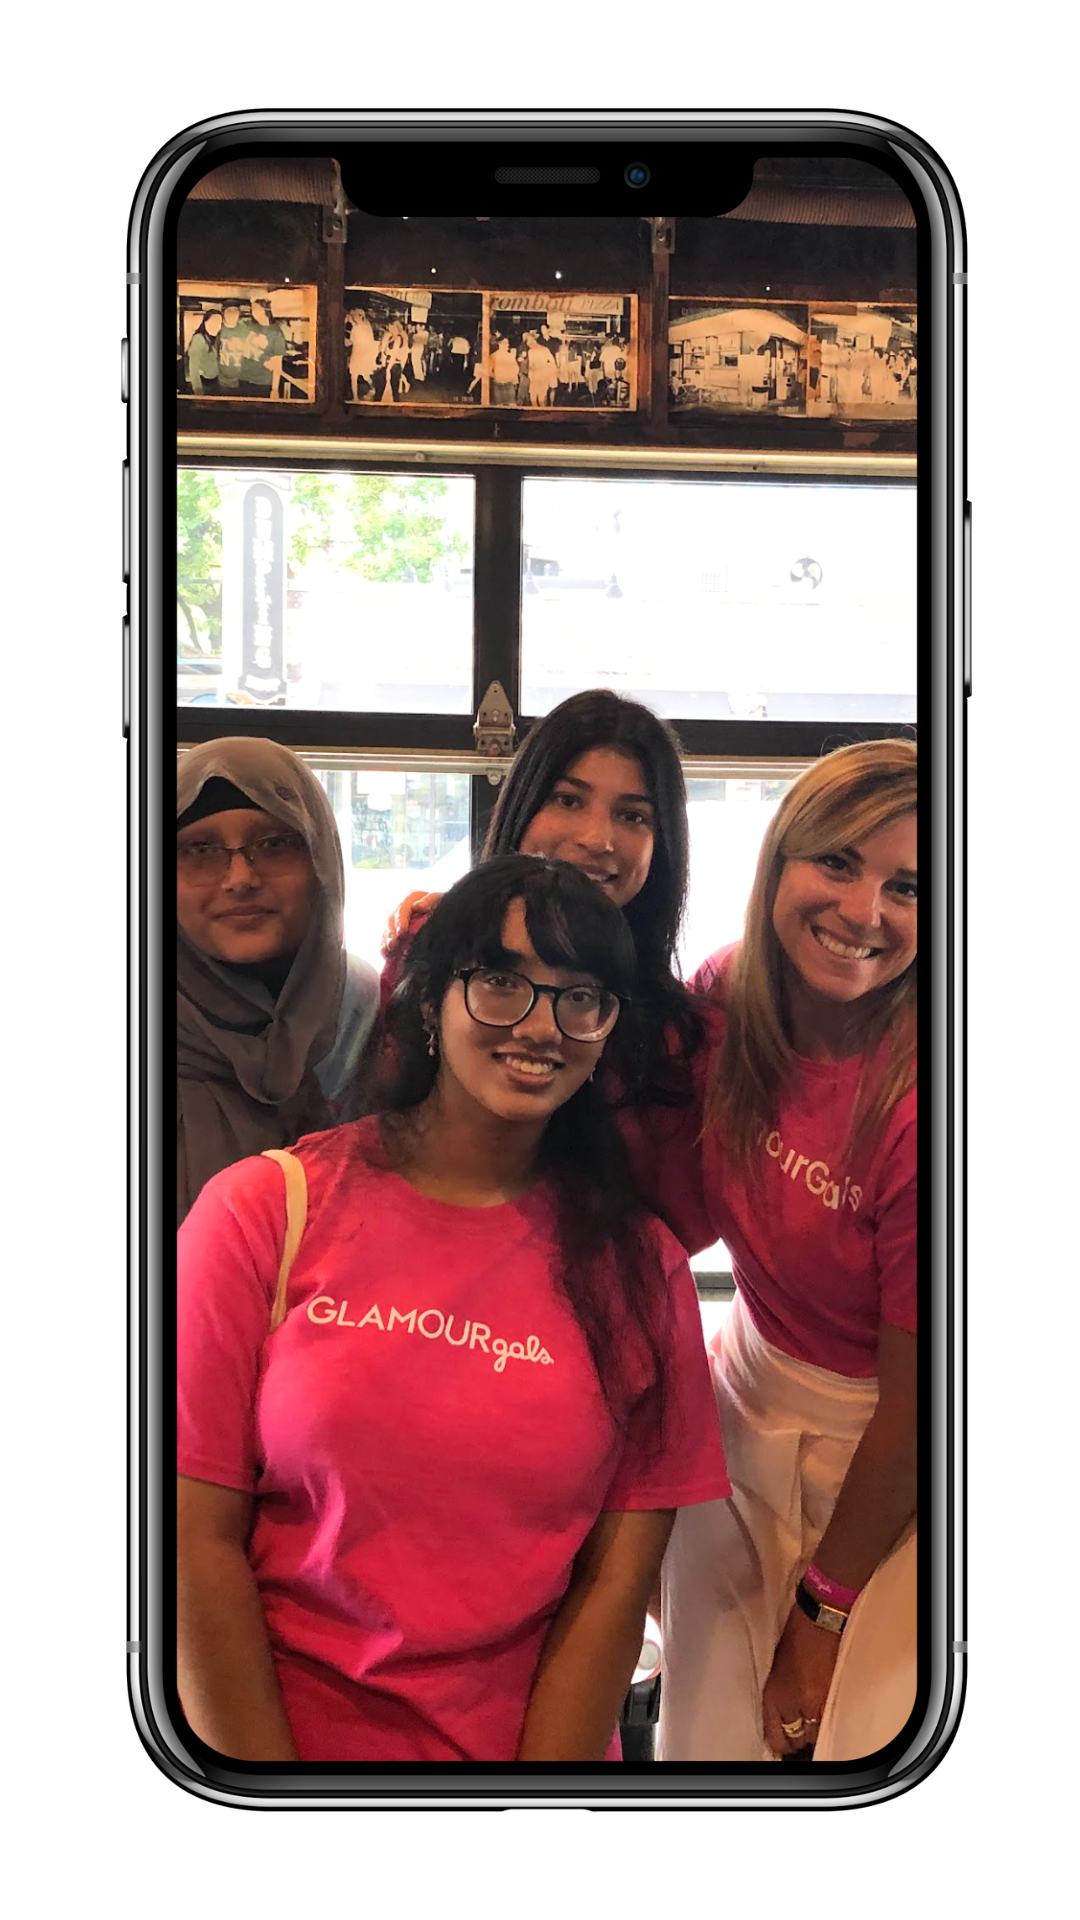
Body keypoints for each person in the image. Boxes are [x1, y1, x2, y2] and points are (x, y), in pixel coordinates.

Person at [177, 855, 729, 1762]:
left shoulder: (644, 1269)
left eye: (580, 996)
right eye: (501, 982)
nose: (540, 1027)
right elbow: (191, 1548)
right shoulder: (264, 1213)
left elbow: (613, 1587)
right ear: (430, 1002)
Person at [622, 738, 918, 1763]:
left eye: (909, 886)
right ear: (780, 860)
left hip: (894, 1458)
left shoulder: (925, 1105)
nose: (864, 911)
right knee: (706, 1742)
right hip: (742, 1402)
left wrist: (822, 1616)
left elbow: (918, 1407)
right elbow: (677, 1210)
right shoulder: (732, 993)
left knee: (852, 1742)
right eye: (838, 862)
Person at [380, 688, 705, 1104]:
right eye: (568, 800)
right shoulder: (431, 946)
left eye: (632, 816)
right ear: (524, 804)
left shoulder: (682, 1035)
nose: (597, 839)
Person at [176, 737, 380, 1226]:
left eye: (274, 844)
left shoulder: (363, 1007)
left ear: (320, 863)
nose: (240, 878)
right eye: (200, 850)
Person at [185, 309, 223, 395]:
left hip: (214, 381)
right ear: (205, 322)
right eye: (214, 321)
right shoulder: (199, 339)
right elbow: (193, 366)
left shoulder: (214, 338)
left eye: (219, 323)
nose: (217, 325)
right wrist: (197, 388)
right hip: (204, 383)